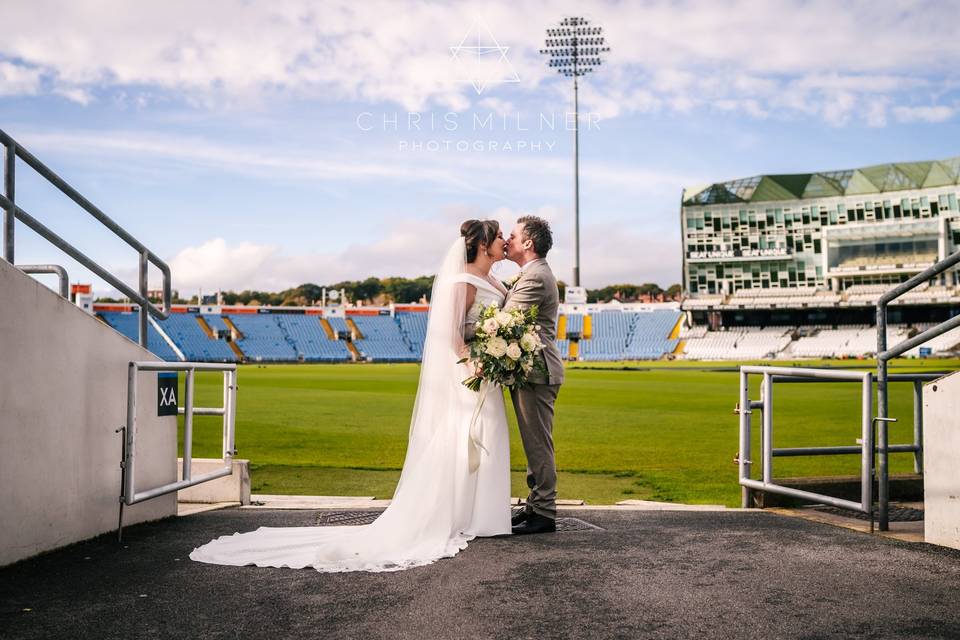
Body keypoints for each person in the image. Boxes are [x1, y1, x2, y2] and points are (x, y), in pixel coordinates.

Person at [189, 220, 512, 572]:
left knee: (486, 434)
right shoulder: (463, 281)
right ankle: (462, 514)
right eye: (498, 237)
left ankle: (480, 514)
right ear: (482, 245)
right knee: (470, 434)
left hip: (489, 367)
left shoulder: (494, 279)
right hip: (471, 371)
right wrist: (471, 364)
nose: (503, 241)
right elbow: (452, 334)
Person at [502, 216, 564, 535]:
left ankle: (543, 512)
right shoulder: (531, 274)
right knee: (534, 442)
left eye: (512, 236)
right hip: (532, 369)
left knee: (538, 443)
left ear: (528, 243)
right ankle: (536, 504)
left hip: (537, 369)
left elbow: (506, 319)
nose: (506, 240)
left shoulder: (535, 277)